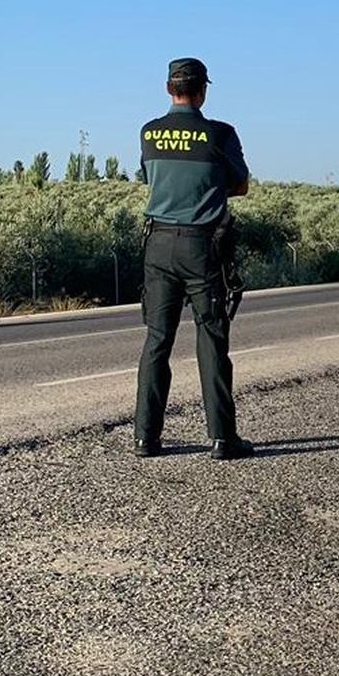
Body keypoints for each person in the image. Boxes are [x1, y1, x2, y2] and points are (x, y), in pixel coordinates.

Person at [133, 57, 253, 460]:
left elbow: (149, 179)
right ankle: (222, 438)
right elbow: (241, 185)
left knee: (157, 341)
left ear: (169, 89)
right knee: (212, 340)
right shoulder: (220, 134)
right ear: (202, 91)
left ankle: (145, 438)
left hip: (158, 246)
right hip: (203, 248)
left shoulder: (149, 133)